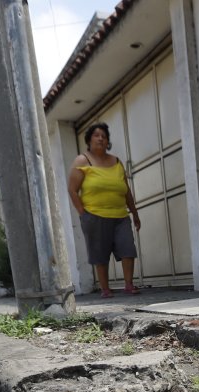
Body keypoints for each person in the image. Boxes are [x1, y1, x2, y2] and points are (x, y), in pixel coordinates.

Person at [67, 122, 142, 298]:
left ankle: (129, 285)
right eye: (96, 135)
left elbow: (126, 190)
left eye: (104, 136)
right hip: (94, 215)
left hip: (120, 215)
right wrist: (83, 213)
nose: (101, 138)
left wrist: (135, 213)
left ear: (107, 141)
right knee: (100, 253)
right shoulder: (82, 160)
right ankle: (105, 289)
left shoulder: (116, 162)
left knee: (127, 249)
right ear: (89, 139)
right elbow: (72, 189)